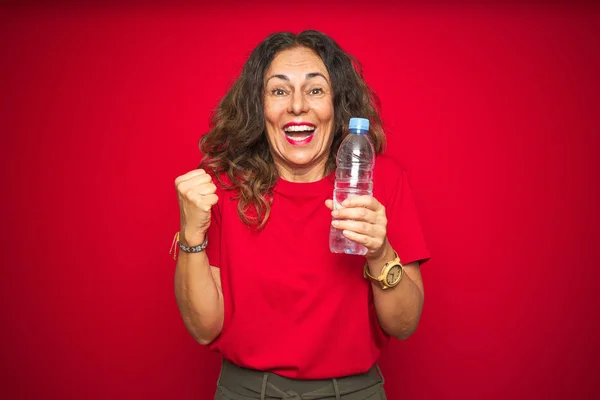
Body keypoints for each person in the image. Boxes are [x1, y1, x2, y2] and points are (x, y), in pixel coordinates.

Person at [173, 30, 430, 400]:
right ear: (257, 106)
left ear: (337, 104)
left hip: (354, 392)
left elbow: (404, 325)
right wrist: (190, 235)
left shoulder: (382, 180)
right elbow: (203, 329)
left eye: (315, 90)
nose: (297, 106)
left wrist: (380, 252)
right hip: (245, 391)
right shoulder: (221, 186)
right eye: (278, 90)